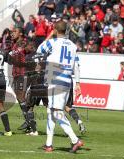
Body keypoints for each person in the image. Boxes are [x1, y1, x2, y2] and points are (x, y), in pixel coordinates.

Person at [37, 20, 84, 153]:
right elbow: (76, 66)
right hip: (66, 82)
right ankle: (48, 144)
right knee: (51, 112)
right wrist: (78, 83)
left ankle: (75, 140)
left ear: (55, 30)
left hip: (55, 79)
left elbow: (39, 49)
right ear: (67, 30)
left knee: (56, 112)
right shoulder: (73, 46)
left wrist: (50, 35)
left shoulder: (53, 42)